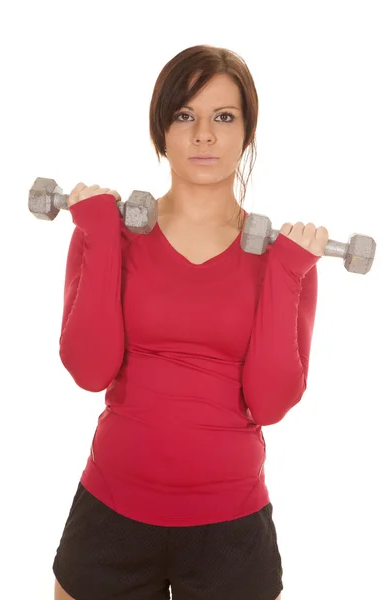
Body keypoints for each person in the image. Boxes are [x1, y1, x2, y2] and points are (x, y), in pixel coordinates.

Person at [52, 44, 329, 600]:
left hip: (230, 531)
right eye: (185, 116)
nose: (204, 134)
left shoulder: (283, 259)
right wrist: (101, 238)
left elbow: (270, 403)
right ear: (162, 132)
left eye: (223, 117)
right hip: (111, 514)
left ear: (247, 133)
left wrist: (284, 273)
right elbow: (89, 369)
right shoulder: (107, 232)